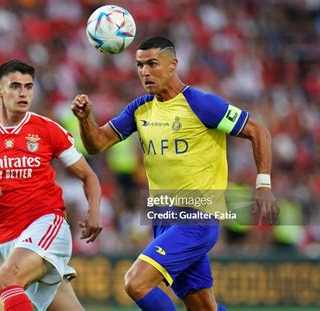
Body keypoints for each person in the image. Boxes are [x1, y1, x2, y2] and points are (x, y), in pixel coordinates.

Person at [71, 36, 279, 311]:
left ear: (173, 65)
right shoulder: (139, 108)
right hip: (163, 220)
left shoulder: (200, 104)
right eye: (139, 65)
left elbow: (257, 130)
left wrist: (263, 184)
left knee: (136, 282)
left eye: (152, 64)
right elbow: (97, 144)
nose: (145, 72)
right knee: (204, 308)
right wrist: (85, 119)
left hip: (197, 218)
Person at [0, 60, 102, 311]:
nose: (23, 93)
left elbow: (88, 175)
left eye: (28, 87)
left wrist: (94, 211)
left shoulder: (48, 129)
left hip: (47, 225)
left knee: (6, 279)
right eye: (14, 86)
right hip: (9, 237)